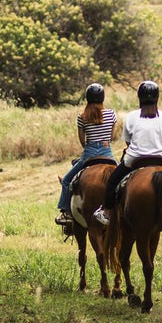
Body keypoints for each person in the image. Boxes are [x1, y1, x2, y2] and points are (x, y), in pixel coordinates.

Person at [92, 80, 162, 225]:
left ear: (139, 97)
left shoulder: (131, 116)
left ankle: (107, 211)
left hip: (134, 160)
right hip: (160, 158)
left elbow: (127, 141)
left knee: (113, 181)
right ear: (157, 97)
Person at [55, 83, 117, 226]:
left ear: (87, 98)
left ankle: (65, 213)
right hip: (107, 153)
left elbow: (82, 141)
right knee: (123, 180)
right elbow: (111, 137)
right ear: (102, 98)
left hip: (89, 154)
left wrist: (91, 147)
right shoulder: (111, 114)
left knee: (66, 181)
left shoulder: (82, 117)